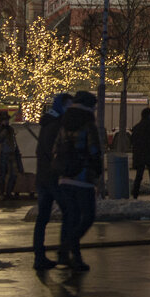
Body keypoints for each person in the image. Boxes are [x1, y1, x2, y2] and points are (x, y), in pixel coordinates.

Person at [53, 91, 103, 272]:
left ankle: (73, 257)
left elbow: (56, 148)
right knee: (87, 217)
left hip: (65, 177)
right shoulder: (88, 124)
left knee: (71, 217)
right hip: (83, 178)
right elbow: (95, 151)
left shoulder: (64, 123)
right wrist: (97, 173)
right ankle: (65, 248)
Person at [33, 92, 72, 271]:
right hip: (53, 178)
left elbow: (41, 151)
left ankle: (39, 257)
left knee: (42, 218)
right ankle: (63, 254)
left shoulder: (48, 123)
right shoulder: (57, 126)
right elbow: (55, 153)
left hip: (43, 176)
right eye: (69, 105)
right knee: (69, 214)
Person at [0, 111, 24, 202]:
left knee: (13, 175)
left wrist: (16, 151)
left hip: (11, 154)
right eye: (4, 120)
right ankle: (1, 193)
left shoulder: (10, 129)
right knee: (2, 175)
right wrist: (4, 132)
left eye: (7, 120)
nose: (6, 122)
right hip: (2, 154)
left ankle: (8, 192)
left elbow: (14, 142)